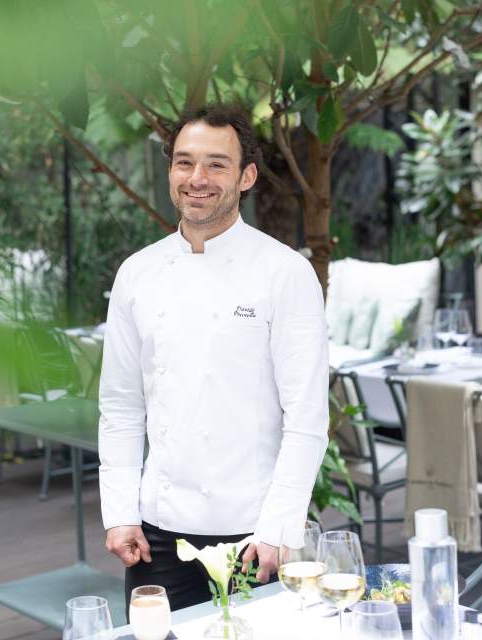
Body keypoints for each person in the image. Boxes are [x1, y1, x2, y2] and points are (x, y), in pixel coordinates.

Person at [98, 103, 329, 612]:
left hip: (256, 538)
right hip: (157, 535)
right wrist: (119, 512)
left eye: (216, 164)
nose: (197, 178)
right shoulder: (137, 274)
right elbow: (119, 407)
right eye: (184, 162)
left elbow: (307, 419)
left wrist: (277, 528)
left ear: (246, 176)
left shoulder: (285, 274)